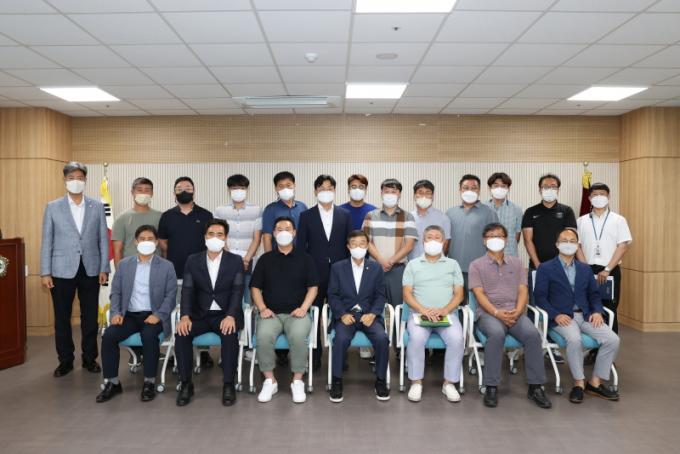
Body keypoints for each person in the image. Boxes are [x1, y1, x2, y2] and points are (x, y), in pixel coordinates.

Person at [468, 223, 552, 409]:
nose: (495, 239)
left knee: (532, 334)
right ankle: (491, 386)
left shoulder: (517, 263)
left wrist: (519, 310)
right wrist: (497, 313)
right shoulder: (476, 265)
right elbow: (479, 295)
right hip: (489, 314)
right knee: (496, 334)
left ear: (506, 240)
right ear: (484, 241)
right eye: (491, 236)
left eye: (499, 236)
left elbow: (523, 290)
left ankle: (536, 387)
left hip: (515, 312)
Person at [534, 227, 620, 404]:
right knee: (575, 340)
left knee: (613, 339)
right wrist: (555, 315)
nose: (568, 244)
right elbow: (540, 297)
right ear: (557, 244)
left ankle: (595, 383)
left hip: (586, 315)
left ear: (577, 245)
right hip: (561, 317)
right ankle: (579, 383)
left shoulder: (584, 268)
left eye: (572, 241)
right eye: (564, 241)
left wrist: (597, 311)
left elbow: (594, 295)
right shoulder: (545, 268)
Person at [40, 162, 110, 377]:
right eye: (71, 178)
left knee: (90, 317)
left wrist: (104, 268)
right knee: (62, 318)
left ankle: (90, 358)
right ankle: (65, 361)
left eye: (79, 177)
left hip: (90, 269)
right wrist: (45, 272)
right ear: (65, 180)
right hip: (61, 270)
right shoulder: (53, 207)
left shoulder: (96, 206)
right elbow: (47, 241)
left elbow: (103, 239)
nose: (75, 181)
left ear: (85, 180)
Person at [96, 225, 176, 403]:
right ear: (135, 242)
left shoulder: (166, 266)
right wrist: (115, 313)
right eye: (142, 239)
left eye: (150, 239)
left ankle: (149, 382)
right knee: (109, 336)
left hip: (153, 315)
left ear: (156, 242)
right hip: (129, 316)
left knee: (149, 336)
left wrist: (158, 315)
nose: (146, 242)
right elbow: (116, 293)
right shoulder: (124, 265)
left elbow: (171, 296)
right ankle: (112, 382)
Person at [175, 219, 245, 407]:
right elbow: (187, 290)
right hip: (199, 315)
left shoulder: (235, 261)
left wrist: (231, 315)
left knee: (229, 336)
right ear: (205, 237)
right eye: (211, 234)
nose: (215, 238)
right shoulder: (193, 260)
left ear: (226, 238)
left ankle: (228, 384)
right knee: (181, 334)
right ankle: (186, 384)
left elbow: (238, 291)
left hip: (225, 314)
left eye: (220, 234)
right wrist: (184, 316)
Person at [250, 216, 319, 404]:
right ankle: (270, 381)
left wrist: (304, 308)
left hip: (297, 314)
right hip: (270, 313)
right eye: (279, 229)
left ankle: (297, 381)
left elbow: (313, 287)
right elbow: (255, 288)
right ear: (273, 233)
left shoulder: (306, 259)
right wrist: (262, 308)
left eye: (287, 229)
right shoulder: (265, 259)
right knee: (263, 336)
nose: (283, 233)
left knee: (298, 336)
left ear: (294, 233)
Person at [402, 225, 465, 403]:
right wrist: (423, 310)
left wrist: (445, 310)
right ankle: (416, 382)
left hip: (447, 315)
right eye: (429, 237)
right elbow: (407, 294)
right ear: (423, 241)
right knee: (416, 338)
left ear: (444, 242)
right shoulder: (413, 265)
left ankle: (449, 383)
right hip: (419, 314)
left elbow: (459, 294)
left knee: (457, 338)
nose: (433, 241)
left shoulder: (453, 265)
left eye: (437, 237)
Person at [297, 174, 352, 370]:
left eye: (329, 189)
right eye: (321, 189)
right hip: (314, 274)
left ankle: (340, 356)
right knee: (314, 315)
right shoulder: (306, 216)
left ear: (335, 191)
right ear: (315, 191)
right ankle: (315, 355)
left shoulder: (345, 215)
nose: (326, 192)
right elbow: (301, 247)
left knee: (341, 314)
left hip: (340, 274)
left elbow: (350, 245)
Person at [327, 230, 389, 403]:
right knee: (340, 339)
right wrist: (342, 314)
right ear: (348, 247)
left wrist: (373, 313)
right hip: (347, 315)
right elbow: (332, 295)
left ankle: (381, 380)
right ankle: (337, 381)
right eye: (354, 244)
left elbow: (381, 295)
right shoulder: (338, 267)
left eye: (362, 243)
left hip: (369, 315)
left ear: (368, 246)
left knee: (382, 338)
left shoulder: (375, 268)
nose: (358, 247)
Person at [158, 176, 214, 367]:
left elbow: (212, 242)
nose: (184, 190)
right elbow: (163, 243)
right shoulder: (167, 216)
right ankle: (177, 351)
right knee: (177, 313)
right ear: (174, 192)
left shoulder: (205, 215)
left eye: (188, 187)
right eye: (179, 188)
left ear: (194, 191)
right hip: (175, 273)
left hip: (202, 275)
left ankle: (204, 351)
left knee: (201, 312)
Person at [522, 173, 576, 363]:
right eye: (546, 186)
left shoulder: (566, 211)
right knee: (535, 305)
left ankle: (552, 347)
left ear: (558, 189)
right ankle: (533, 344)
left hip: (562, 269)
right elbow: (528, 240)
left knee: (557, 305)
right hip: (538, 268)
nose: (549, 189)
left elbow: (570, 239)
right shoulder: (531, 212)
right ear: (540, 189)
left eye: (553, 186)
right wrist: (538, 265)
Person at [362, 178, 417, 342]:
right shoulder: (371, 215)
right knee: (371, 306)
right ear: (381, 193)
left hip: (398, 269)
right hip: (374, 269)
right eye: (387, 191)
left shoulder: (407, 216)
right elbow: (366, 241)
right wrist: (380, 259)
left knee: (398, 308)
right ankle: (374, 346)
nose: (390, 194)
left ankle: (399, 346)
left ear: (399, 194)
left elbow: (409, 244)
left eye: (394, 191)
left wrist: (391, 261)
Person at [576, 182, 632, 335]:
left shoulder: (619, 220)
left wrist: (607, 269)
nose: (599, 197)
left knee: (609, 309)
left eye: (602, 194)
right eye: (595, 194)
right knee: (587, 308)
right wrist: (585, 268)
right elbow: (577, 246)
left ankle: (610, 347)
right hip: (587, 270)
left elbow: (623, 246)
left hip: (610, 271)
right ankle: (592, 346)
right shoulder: (581, 221)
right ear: (589, 198)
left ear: (608, 197)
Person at [446, 174, 499, 297]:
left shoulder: (489, 212)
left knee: (477, 305)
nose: (469, 191)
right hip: (454, 270)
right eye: (465, 188)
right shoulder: (450, 213)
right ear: (460, 190)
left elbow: (495, 243)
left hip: (480, 270)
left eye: (474, 188)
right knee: (456, 304)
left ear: (479, 190)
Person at [214, 173, 262, 306]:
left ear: (247, 189)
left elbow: (257, 238)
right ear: (229, 190)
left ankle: (248, 318)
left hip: (248, 259)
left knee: (247, 293)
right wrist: (230, 258)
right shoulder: (220, 210)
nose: (238, 191)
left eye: (242, 188)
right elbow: (218, 235)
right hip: (226, 258)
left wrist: (246, 259)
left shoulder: (256, 210)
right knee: (227, 294)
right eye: (234, 188)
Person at [112, 177, 162, 268]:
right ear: (132, 192)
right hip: (130, 268)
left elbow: (164, 247)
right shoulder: (121, 218)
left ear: (152, 193)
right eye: (139, 190)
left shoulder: (161, 217)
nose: (143, 193)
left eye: (147, 190)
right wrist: (120, 273)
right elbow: (117, 250)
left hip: (156, 267)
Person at [261, 171, 308, 252]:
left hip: (301, 255)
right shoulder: (270, 209)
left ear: (294, 185)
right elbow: (267, 237)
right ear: (276, 188)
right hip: (278, 255)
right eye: (281, 186)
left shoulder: (302, 207)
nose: (285, 189)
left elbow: (308, 233)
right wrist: (268, 258)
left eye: (288, 185)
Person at [409, 179, 451, 260]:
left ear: (432, 196)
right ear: (414, 196)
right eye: (420, 192)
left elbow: (446, 244)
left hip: (437, 264)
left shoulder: (443, 218)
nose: (424, 196)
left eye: (428, 193)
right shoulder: (408, 218)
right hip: (413, 263)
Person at [484, 172, 523, 257]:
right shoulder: (482, 208)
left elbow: (517, 235)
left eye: (503, 186)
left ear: (508, 188)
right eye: (496, 185)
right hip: (486, 257)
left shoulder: (517, 210)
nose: (499, 188)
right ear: (490, 188)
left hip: (509, 256)